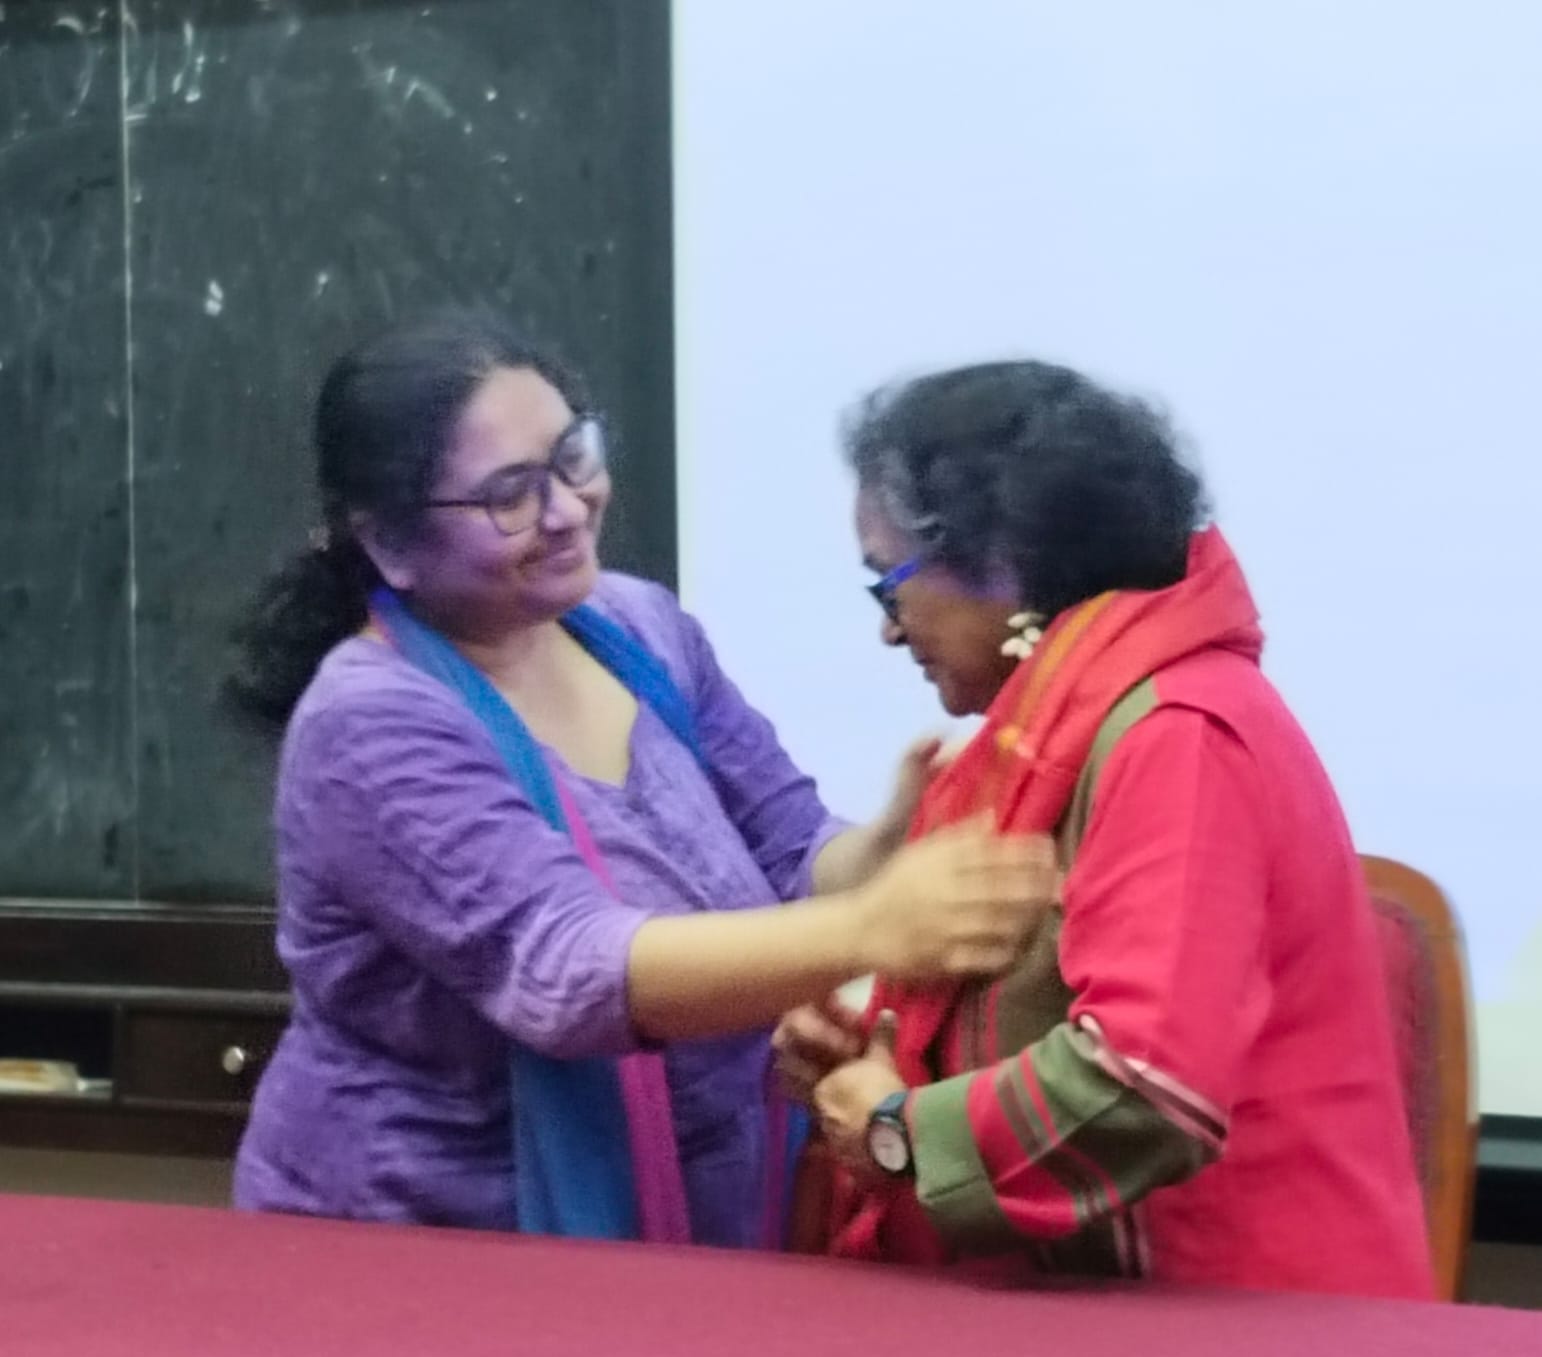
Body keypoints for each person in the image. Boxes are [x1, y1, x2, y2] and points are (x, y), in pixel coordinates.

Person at [226, 312, 1051, 1247]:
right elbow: (568, 971)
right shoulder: (370, 719)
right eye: (510, 494)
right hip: (430, 1238)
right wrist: (870, 928)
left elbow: (787, 849)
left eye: (572, 457)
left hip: (699, 1202)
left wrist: (889, 845)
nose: (567, 509)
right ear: (389, 545)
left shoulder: (639, 628)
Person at [779, 360, 1434, 1298]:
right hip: (1102, 1315)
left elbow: (1142, 1080)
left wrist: (899, 1133)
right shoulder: (1053, 734)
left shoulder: (1180, 732)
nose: (891, 630)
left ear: (1004, 562)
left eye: (891, 586)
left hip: (1242, 1332)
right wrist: (868, 1048)